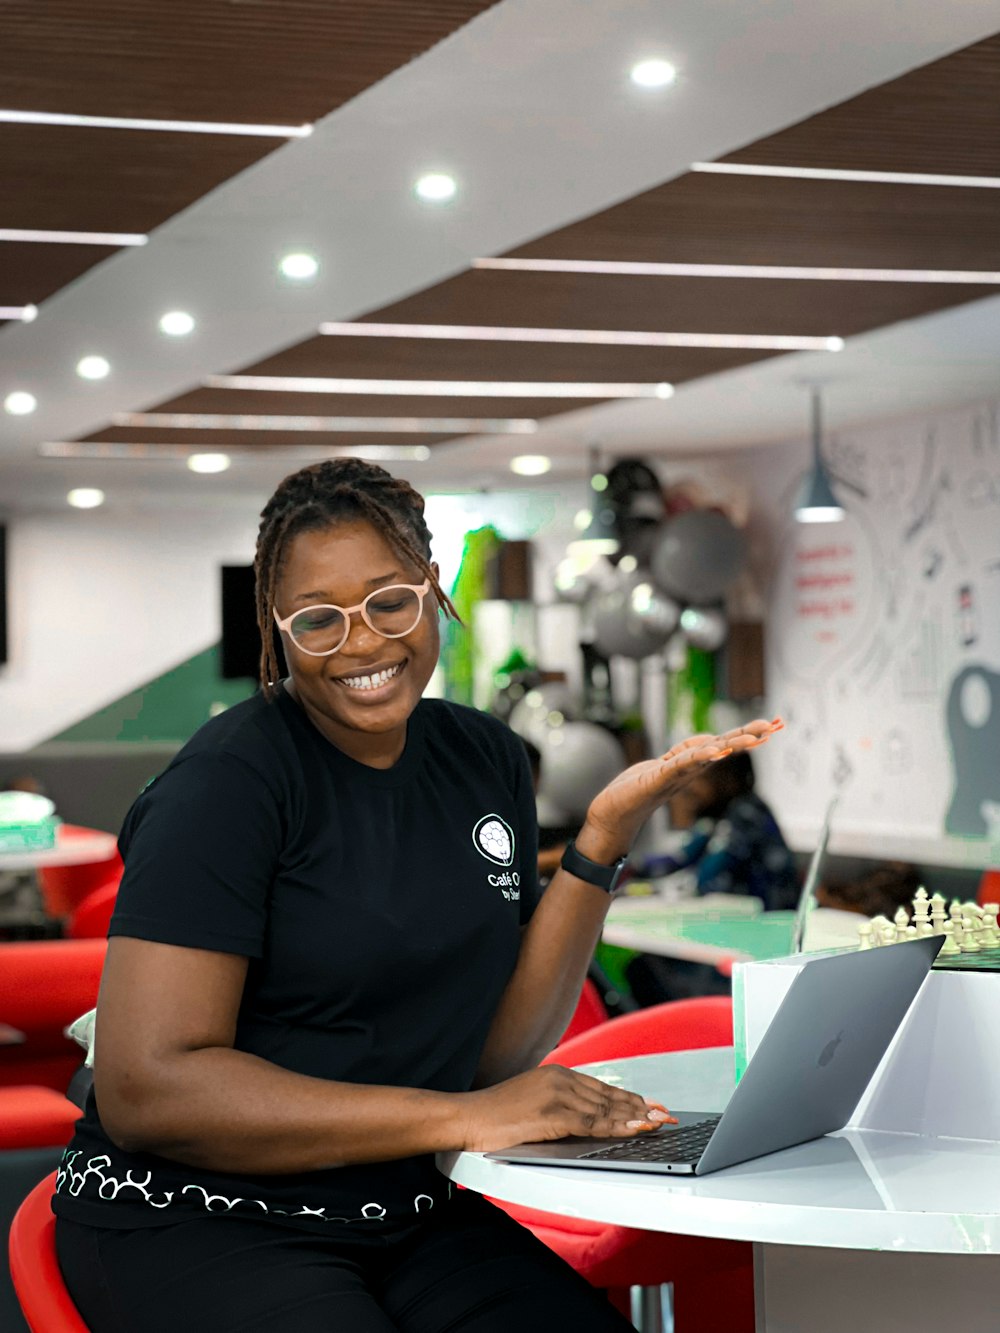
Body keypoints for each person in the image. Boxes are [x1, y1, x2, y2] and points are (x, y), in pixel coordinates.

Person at [52, 458, 781, 1332]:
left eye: (389, 601)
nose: (361, 644)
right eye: (319, 621)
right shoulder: (230, 781)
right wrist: (463, 1117)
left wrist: (601, 841)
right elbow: (148, 1089)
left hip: (402, 1208)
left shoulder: (486, 758)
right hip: (194, 1217)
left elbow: (493, 1052)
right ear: (277, 630)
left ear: (432, 590)